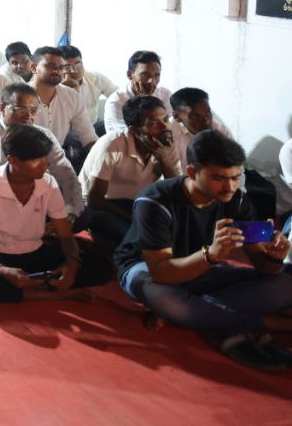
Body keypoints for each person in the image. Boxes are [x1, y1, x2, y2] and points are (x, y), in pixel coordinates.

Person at [116, 131, 292, 370]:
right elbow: (161, 273)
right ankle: (256, 325)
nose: (229, 186)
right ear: (191, 172)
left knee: (285, 285)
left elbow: (263, 267)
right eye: (218, 178)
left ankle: (208, 317)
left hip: (204, 272)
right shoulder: (154, 201)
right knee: (166, 297)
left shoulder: (237, 200)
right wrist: (210, 255)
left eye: (235, 177)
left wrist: (274, 257)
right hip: (147, 270)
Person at [0, 125, 108, 303]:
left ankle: (23, 288)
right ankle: (48, 293)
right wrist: (2, 270)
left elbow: (65, 235)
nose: (44, 165)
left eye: (45, 158)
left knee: (102, 268)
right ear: (12, 160)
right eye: (36, 160)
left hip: (34, 250)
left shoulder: (48, 183)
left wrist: (71, 263)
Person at [0, 84, 84, 219]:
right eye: (22, 109)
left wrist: (70, 211)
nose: (28, 116)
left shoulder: (44, 135)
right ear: (3, 108)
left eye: (33, 110)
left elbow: (66, 173)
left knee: (82, 215)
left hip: (36, 200)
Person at [81, 95, 181, 244]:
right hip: (101, 206)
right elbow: (94, 199)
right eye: (153, 123)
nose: (164, 127)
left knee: (176, 230)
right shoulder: (112, 144)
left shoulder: (165, 143)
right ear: (134, 130)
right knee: (135, 237)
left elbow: (176, 191)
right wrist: (133, 218)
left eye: (165, 119)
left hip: (135, 202)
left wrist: (163, 159)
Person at [31, 46, 99, 167]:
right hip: (24, 161)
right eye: (50, 66)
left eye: (61, 67)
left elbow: (88, 136)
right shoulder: (19, 97)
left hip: (57, 162)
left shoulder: (72, 96)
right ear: (34, 68)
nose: (57, 70)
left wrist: (102, 159)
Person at [104, 50, 171, 134]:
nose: (152, 81)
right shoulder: (116, 101)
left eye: (156, 76)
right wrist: (143, 100)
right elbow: (129, 135)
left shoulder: (165, 94)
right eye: (145, 75)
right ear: (129, 75)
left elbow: (171, 126)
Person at [59, 45, 116, 130]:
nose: (74, 70)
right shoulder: (54, 85)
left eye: (78, 65)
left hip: (93, 123)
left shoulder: (95, 78)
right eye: (68, 67)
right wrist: (73, 89)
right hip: (68, 129)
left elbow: (116, 95)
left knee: (116, 131)